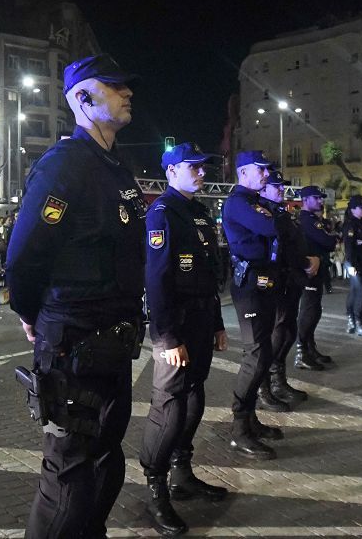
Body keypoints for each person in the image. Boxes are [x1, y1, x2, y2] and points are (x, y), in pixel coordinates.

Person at [6, 53, 146, 538]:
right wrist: (32, 313)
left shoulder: (113, 166)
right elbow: (24, 255)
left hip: (113, 343)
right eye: (114, 86)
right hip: (74, 342)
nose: (127, 92)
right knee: (68, 471)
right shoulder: (65, 166)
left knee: (107, 456)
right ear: (83, 98)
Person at [139, 142, 228, 536]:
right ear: (171, 171)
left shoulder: (198, 212)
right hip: (175, 326)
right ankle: (156, 490)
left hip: (202, 318)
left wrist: (219, 323)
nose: (201, 172)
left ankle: (182, 474)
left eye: (203, 166)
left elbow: (209, 275)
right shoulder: (162, 213)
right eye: (193, 166)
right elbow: (156, 279)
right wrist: (168, 335)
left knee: (195, 399)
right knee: (170, 407)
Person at [222, 151, 317, 460]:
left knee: (263, 352)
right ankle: (239, 428)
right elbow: (272, 229)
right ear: (244, 173)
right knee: (256, 355)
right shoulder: (239, 202)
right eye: (260, 171)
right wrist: (276, 216)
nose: (266, 175)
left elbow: (280, 228)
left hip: (265, 282)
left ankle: (249, 420)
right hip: (249, 286)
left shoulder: (256, 203)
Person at [258, 170, 317, 411]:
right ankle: (264, 388)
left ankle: (278, 381)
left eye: (282, 185)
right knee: (275, 335)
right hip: (276, 281)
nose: (281, 189)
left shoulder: (281, 212)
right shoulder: (263, 213)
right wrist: (306, 262)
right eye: (275, 185)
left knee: (287, 332)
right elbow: (281, 248)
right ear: (263, 189)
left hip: (291, 280)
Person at [294, 186, 335, 370]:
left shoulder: (312, 220)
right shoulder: (306, 220)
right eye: (316, 198)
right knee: (309, 311)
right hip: (310, 271)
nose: (320, 201)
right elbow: (328, 241)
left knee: (315, 310)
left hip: (318, 270)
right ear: (306, 200)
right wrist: (330, 238)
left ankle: (310, 348)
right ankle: (301, 352)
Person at [342, 195, 362, 337]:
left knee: (356, 290)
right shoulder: (351, 225)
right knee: (361, 291)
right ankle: (358, 322)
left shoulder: (361, 223)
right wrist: (352, 265)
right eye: (361, 207)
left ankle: (351, 321)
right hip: (353, 263)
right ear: (353, 209)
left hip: (360, 262)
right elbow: (349, 247)